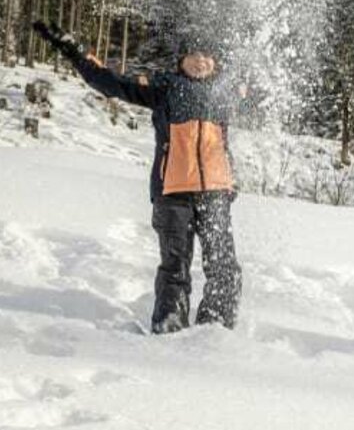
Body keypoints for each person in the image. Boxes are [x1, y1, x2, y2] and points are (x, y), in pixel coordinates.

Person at [33, 21, 248, 333]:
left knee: (225, 268)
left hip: (216, 194)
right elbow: (111, 81)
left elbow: (266, 86)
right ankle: (169, 328)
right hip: (173, 193)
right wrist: (74, 51)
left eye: (208, 55)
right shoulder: (164, 87)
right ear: (181, 59)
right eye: (193, 54)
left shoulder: (226, 93)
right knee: (175, 267)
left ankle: (216, 331)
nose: (201, 60)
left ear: (215, 62)